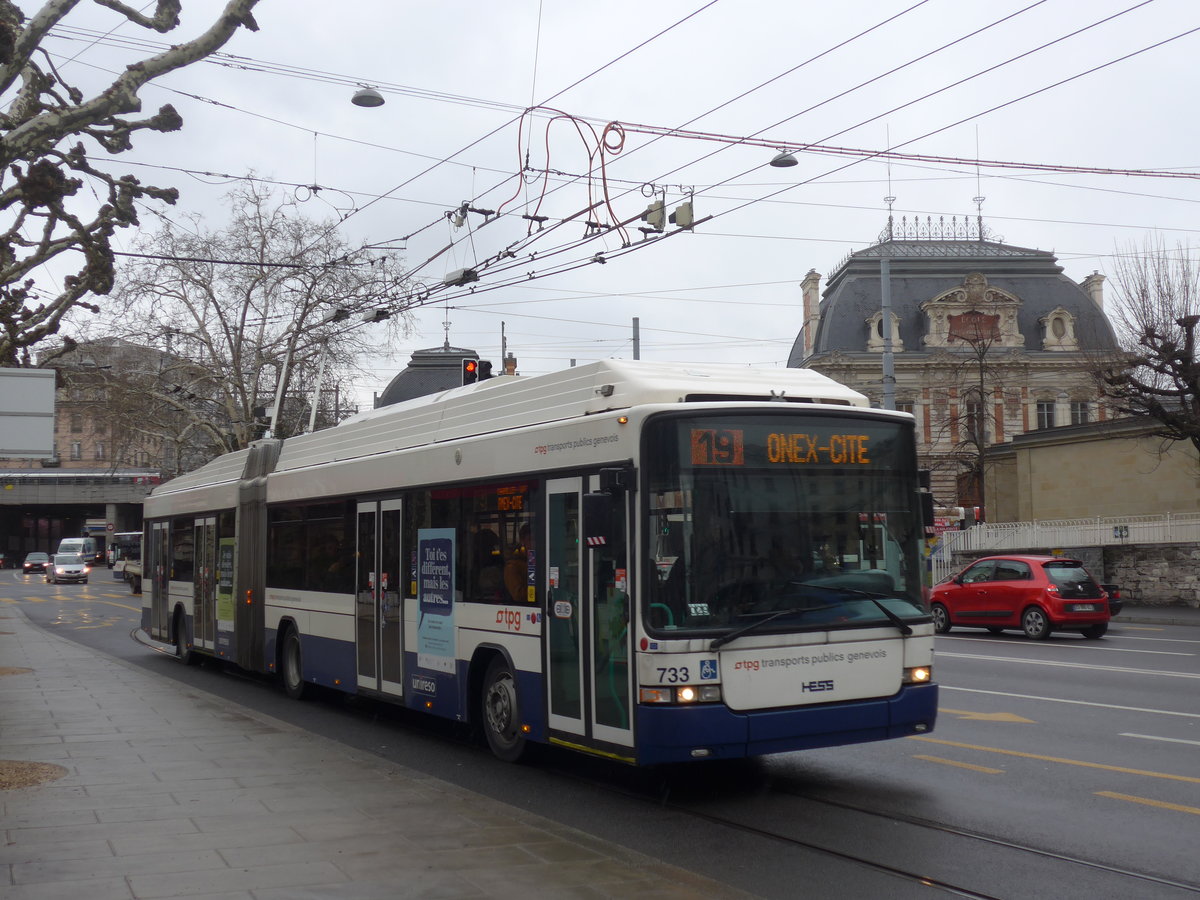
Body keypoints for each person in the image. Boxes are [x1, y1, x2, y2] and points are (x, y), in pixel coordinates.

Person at [504, 523, 534, 603]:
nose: (534, 544)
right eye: (530, 540)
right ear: (522, 542)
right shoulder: (512, 566)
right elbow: (518, 595)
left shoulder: (536, 561)